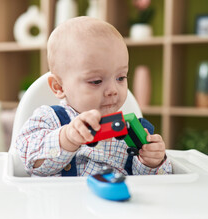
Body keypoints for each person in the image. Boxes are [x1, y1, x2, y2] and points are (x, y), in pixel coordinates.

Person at [15, 16, 172, 177]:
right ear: (59, 87)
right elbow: (28, 159)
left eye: (121, 78)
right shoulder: (48, 119)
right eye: (96, 81)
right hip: (62, 201)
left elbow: (155, 183)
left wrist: (152, 162)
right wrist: (67, 138)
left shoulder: (135, 131)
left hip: (114, 201)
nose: (113, 90)